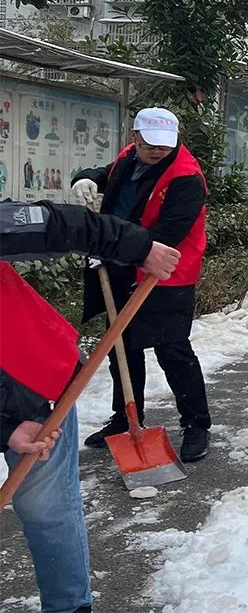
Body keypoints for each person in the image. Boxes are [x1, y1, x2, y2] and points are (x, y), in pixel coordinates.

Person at [1, 200, 180, 613]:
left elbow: (62, 223)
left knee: (43, 507)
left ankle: (68, 607)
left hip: (33, 381)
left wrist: (139, 247)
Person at [70, 107, 212, 462]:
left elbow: (169, 233)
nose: (157, 151)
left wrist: (114, 249)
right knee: (122, 347)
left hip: (166, 273)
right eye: (149, 144)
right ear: (135, 137)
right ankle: (125, 419)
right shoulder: (129, 158)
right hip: (120, 265)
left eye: (164, 145)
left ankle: (196, 424)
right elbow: (110, 175)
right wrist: (88, 178)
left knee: (172, 350)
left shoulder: (187, 178)